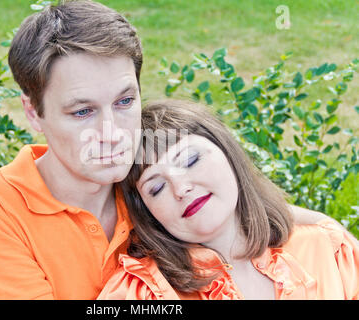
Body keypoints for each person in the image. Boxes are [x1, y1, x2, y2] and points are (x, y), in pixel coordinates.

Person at [0, 1, 345, 299]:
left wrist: (328, 230)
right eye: (82, 112)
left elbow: (237, 212)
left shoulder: (154, 191)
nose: (112, 134)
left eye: (125, 102)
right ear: (34, 112)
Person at [98, 99, 359, 300]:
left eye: (190, 160)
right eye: (156, 188)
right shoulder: (140, 293)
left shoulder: (330, 249)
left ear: (228, 155)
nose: (181, 188)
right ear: (145, 211)